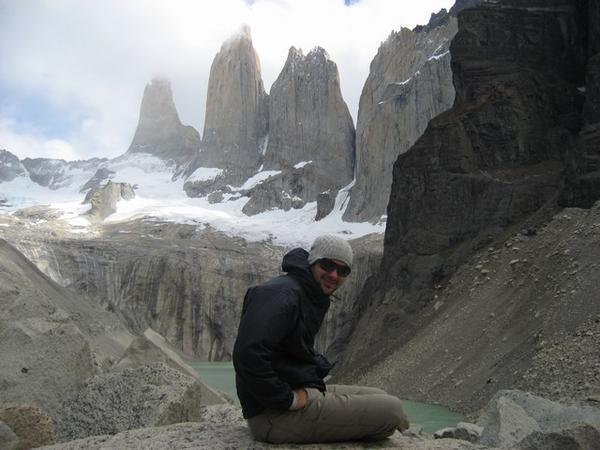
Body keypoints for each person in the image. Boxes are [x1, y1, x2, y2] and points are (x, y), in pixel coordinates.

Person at [233, 234, 409, 444]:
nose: (334, 275)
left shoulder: (304, 293)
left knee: (379, 395)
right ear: (312, 261)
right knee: (391, 410)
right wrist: (288, 400)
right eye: (327, 265)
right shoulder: (282, 294)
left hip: (292, 394)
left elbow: (287, 349)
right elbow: (247, 354)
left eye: (343, 271)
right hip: (273, 415)